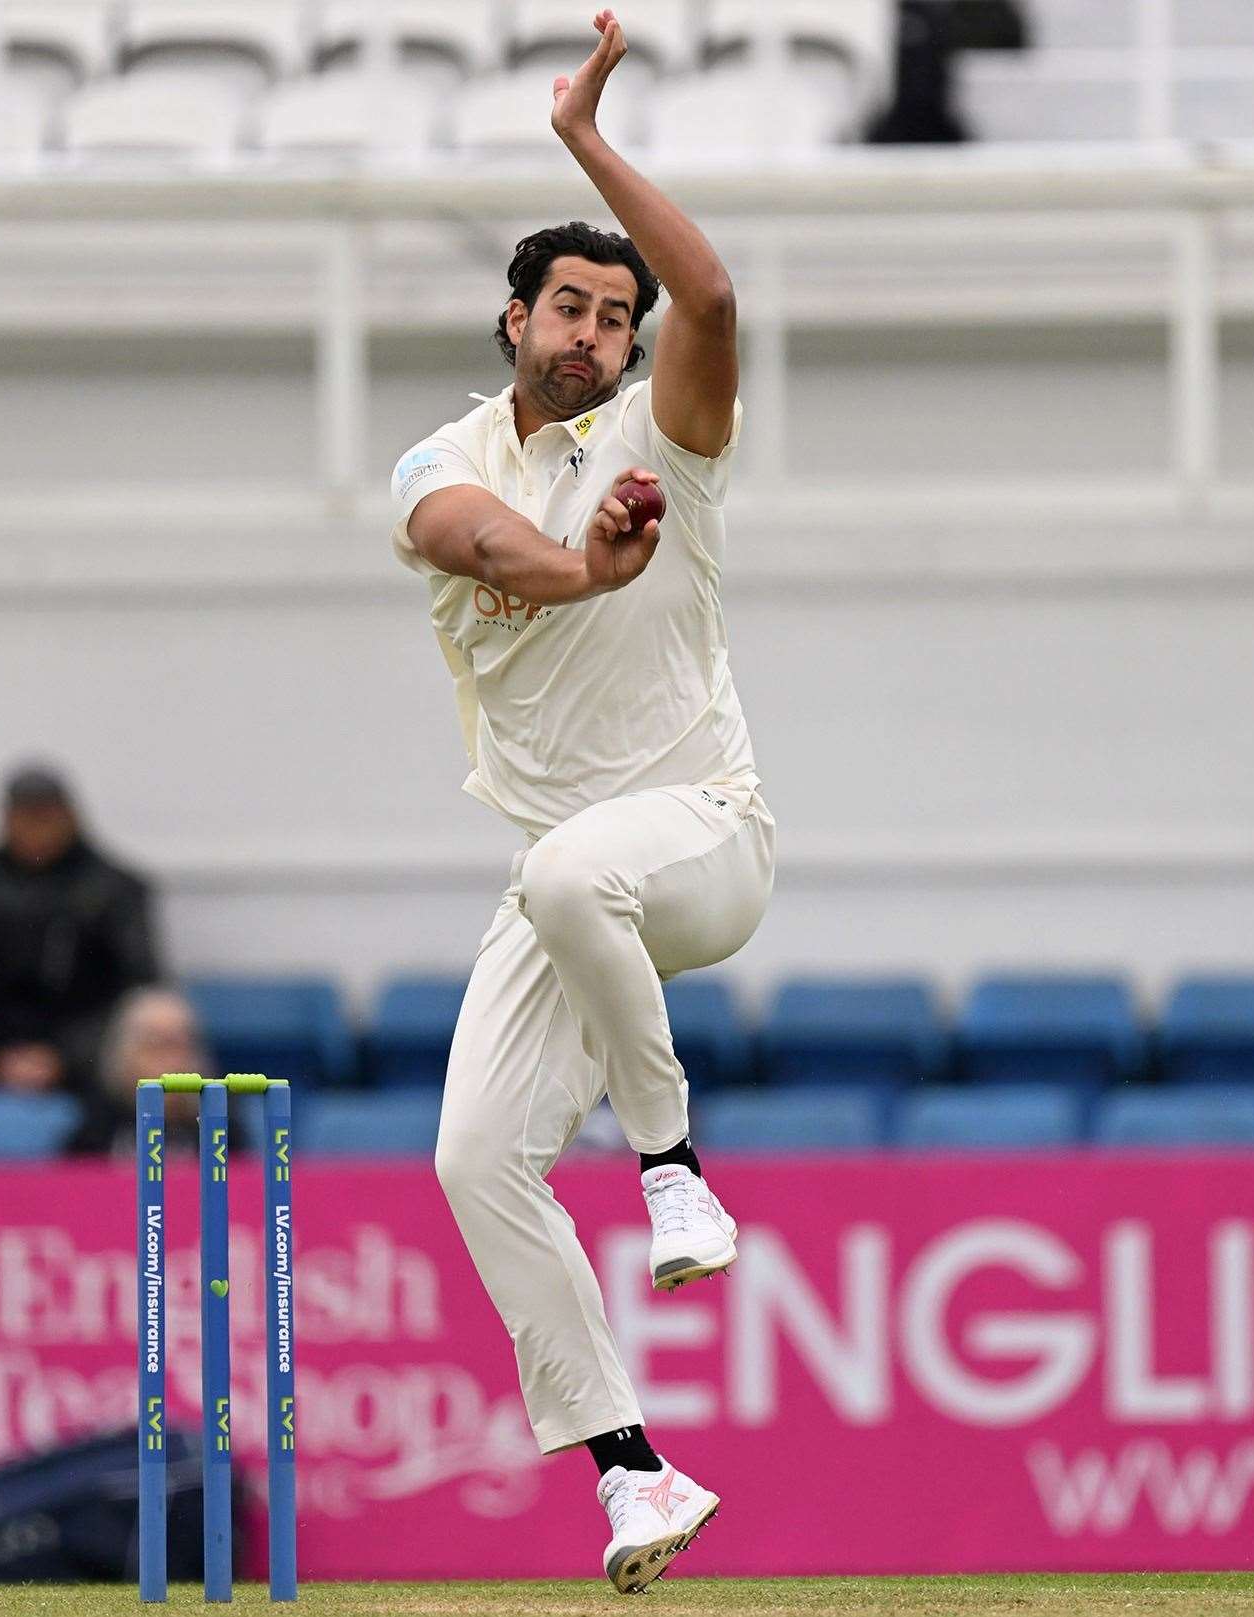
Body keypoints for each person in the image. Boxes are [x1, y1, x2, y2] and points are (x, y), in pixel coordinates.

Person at [388, 12, 773, 1595]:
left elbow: (720, 296)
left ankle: (672, 1163)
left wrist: (588, 143)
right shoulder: (442, 458)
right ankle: (632, 1473)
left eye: (616, 317)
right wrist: (583, 570)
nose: (596, 334)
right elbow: (486, 548)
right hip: (564, 878)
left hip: (705, 840)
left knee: (570, 875)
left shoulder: (664, 439)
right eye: (570, 306)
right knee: (471, 1154)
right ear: (515, 318)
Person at [0, 765, 161, 1098]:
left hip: (93, 1074)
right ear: (5, 820)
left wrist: (66, 1057)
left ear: (70, 816)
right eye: (25, 815)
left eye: (46, 814)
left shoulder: (114, 889)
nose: (36, 829)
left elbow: (142, 994)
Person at [65, 986, 209, 1157]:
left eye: (177, 1044)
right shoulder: (96, 1124)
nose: (169, 1059)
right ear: (125, 1052)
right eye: (154, 1044)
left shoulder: (217, 1121)